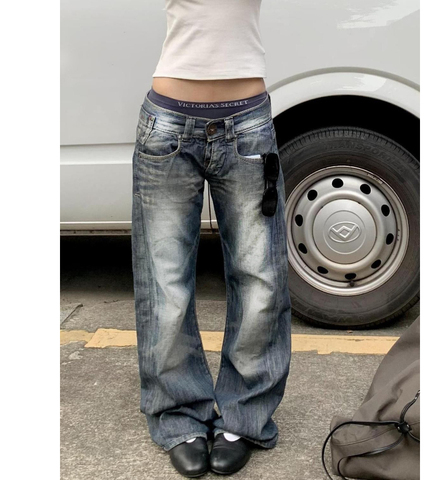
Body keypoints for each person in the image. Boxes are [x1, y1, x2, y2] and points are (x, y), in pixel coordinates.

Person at [131, 0, 291, 477]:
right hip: (167, 125)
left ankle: (244, 417)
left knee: (260, 280)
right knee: (165, 286)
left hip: (247, 124)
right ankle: (179, 415)